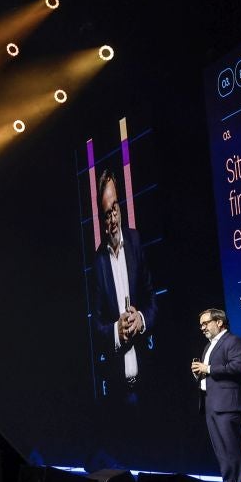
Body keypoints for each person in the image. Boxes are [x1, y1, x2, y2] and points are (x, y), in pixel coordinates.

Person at [93, 169, 157, 402]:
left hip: (150, 380)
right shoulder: (97, 261)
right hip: (119, 390)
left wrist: (141, 319)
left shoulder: (136, 241)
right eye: (107, 214)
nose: (113, 220)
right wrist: (115, 332)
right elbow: (96, 325)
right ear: (101, 219)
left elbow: (152, 299)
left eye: (115, 209)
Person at [190, 307, 241, 482]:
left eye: (206, 323)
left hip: (228, 405)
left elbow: (236, 368)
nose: (203, 328)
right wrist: (199, 374)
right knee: (221, 452)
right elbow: (210, 374)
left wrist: (207, 368)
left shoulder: (234, 342)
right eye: (201, 325)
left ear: (219, 322)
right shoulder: (209, 346)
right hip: (211, 404)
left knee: (233, 449)